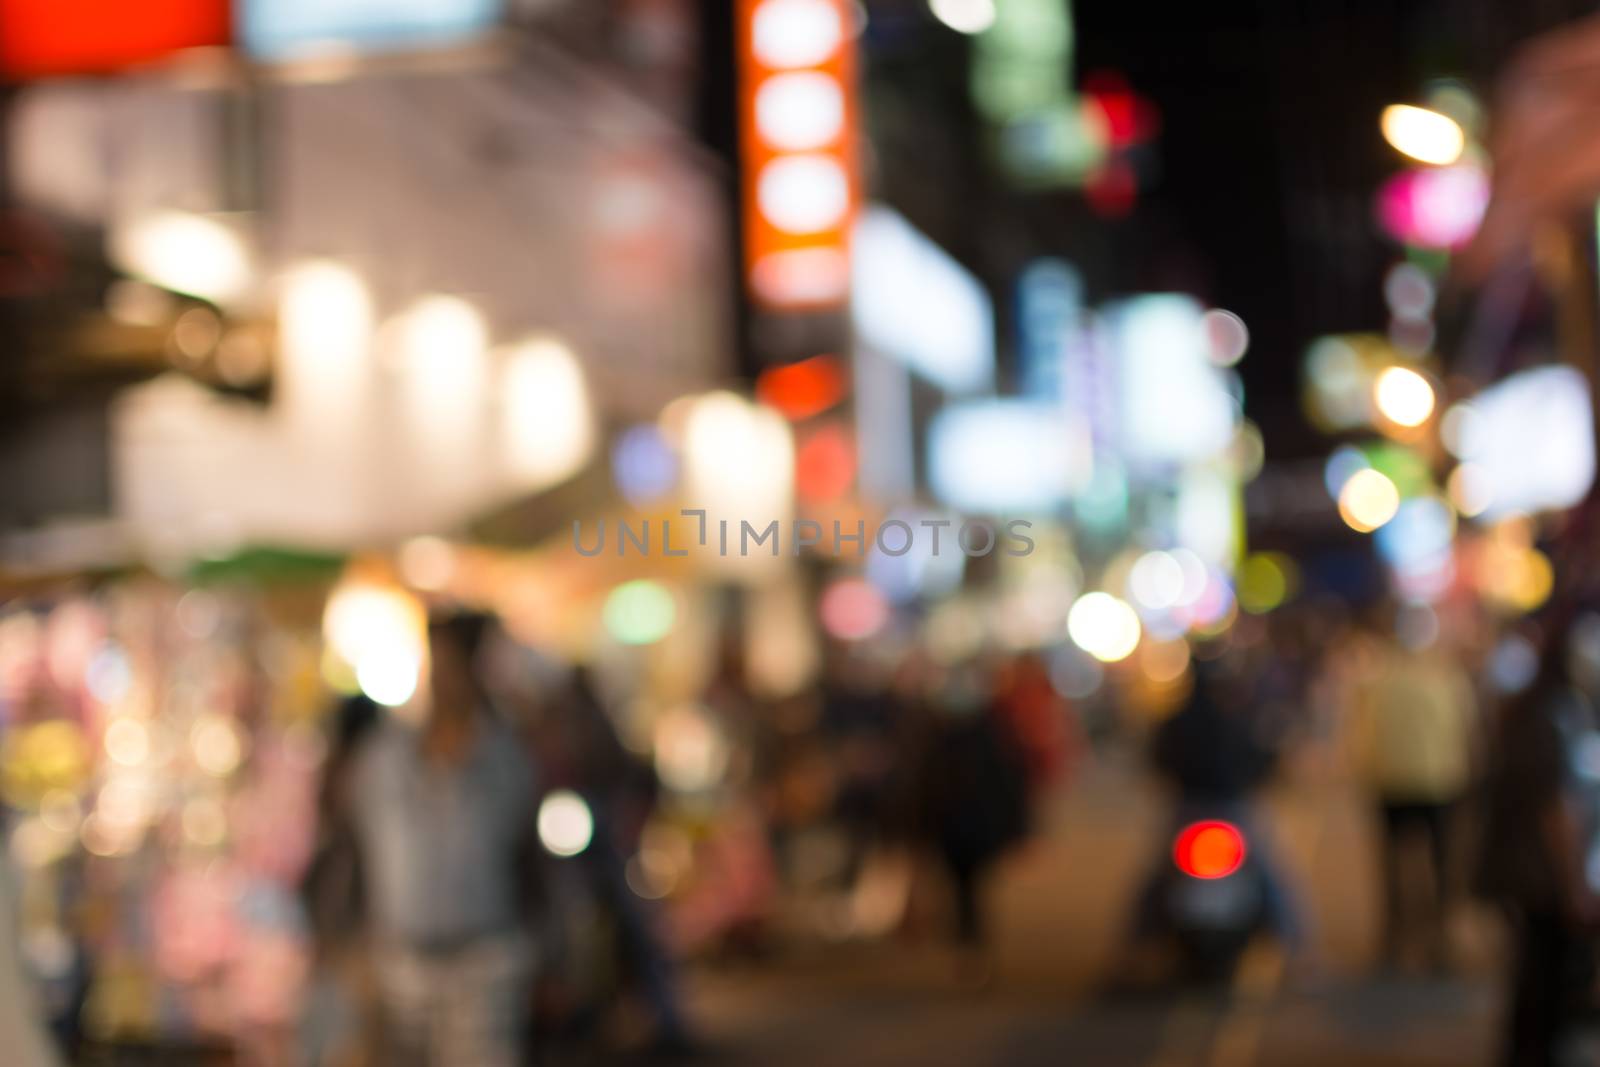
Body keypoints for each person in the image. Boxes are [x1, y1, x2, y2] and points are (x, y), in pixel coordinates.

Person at [344, 612, 540, 1067]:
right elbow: (355, 853)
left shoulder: (508, 760)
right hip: (398, 964)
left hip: (484, 962)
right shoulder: (383, 761)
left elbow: (527, 858)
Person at [1481, 614, 1600, 1067]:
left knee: (1537, 977)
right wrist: (1575, 885)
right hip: (1541, 875)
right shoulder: (1552, 712)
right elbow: (1557, 808)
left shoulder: (1547, 706)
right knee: (1542, 981)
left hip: (1534, 872)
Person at [1353, 633, 1478, 969]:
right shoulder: (1447, 677)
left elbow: (1364, 731)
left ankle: (1395, 938)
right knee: (1441, 867)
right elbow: (1467, 728)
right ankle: (1440, 938)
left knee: (1394, 866)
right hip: (1439, 782)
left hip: (1391, 782)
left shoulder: (1379, 678)